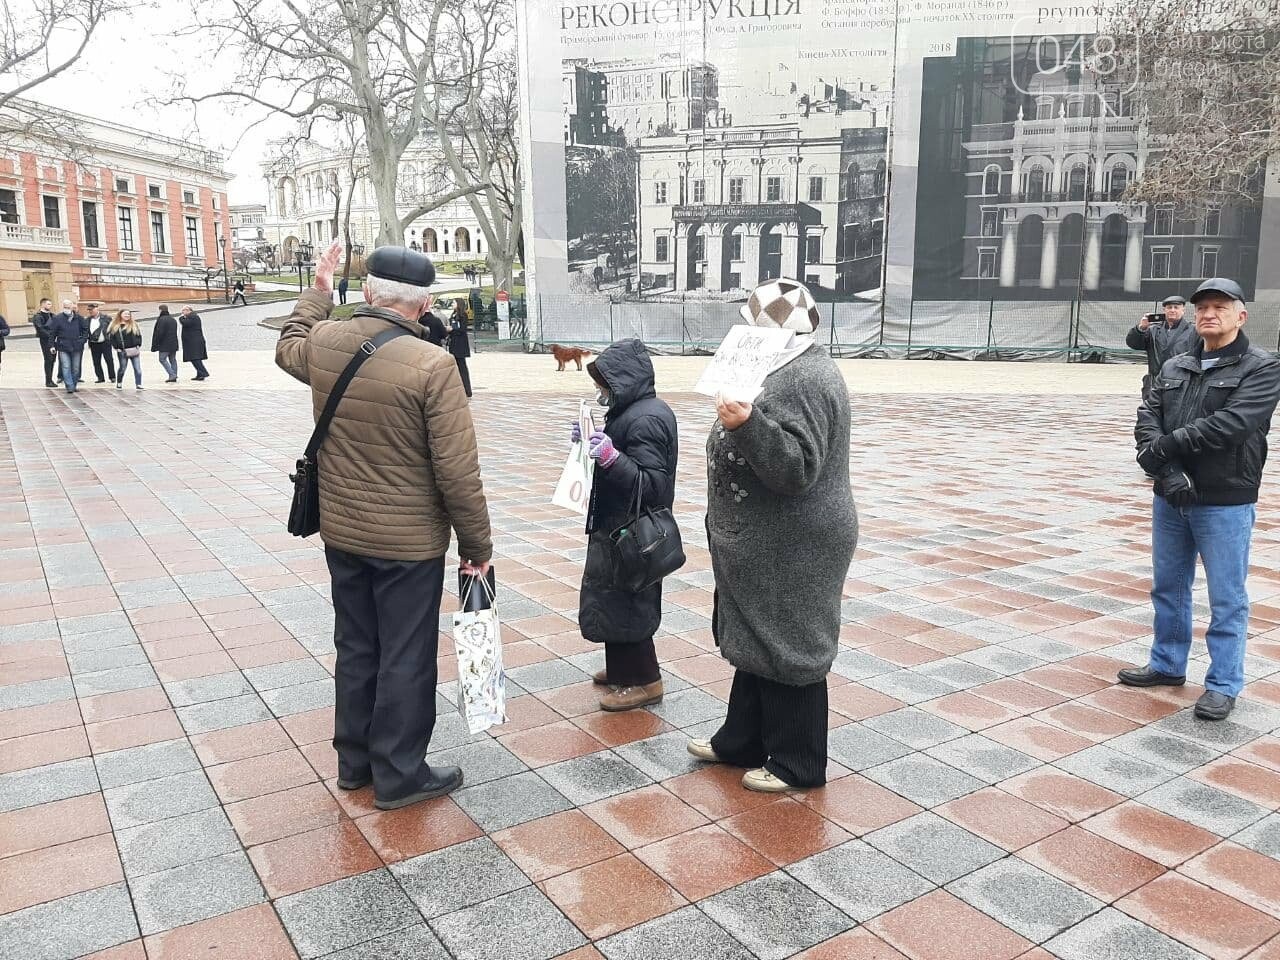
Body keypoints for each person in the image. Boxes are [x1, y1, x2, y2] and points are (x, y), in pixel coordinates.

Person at [275, 240, 492, 810]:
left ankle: (354, 763)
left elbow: (287, 345)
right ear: (423, 306)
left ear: (368, 292)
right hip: (409, 543)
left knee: (356, 645)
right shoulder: (433, 365)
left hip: (342, 532)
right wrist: (477, 548)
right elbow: (457, 472)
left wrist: (319, 290)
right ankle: (398, 773)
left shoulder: (324, 343)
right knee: (405, 653)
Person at [688, 279, 857, 792]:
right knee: (758, 637)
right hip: (766, 537)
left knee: (790, 646)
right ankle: (741, 739)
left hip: (793, 542)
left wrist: (746, 425)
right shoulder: (780, 367)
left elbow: (796, 469)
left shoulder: (803, 377)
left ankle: (798, 762)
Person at [1122, 277, 1280, 721]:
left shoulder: (1261, 368)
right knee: (1168, 586)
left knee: (1227, 595)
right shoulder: (1176, 365)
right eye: (1202, 307)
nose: (1209, 314)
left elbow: (1231, 424)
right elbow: (1148, 415)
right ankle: (1167, 663)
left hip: (1225, 499)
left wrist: (1164, 450)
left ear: (1240, 315)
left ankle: (1223, 683)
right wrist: (1167, 471)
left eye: (1220, 307)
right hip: (1170, 497)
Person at [574, 339, 678, 712]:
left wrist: (610, 456)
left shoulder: (646, 417)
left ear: (624, 379)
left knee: (631, 599)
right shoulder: (630, 410)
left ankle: (645, 680)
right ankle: (621, 667)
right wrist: (589, 444)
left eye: (605, 382)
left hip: (634, 530)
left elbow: (653, 484)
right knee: (612, 595)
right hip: (617, 523)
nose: (601, 390)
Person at [1126, 294, 1198, 399]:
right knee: (1151, 413)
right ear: (1164, 310)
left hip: (1181, 383)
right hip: (1154, 384)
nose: (1172, 310)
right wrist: (1141, 328)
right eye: (1169, 307)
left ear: (1183, 310)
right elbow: (1134, 344)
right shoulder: (1152, 330)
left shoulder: (1193, 331)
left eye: (1176, 307)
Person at [49, 299, 89, 394]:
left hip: (77, 346)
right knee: (66, 366)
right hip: (63, 346)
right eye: (65, 306)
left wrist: (83, 340)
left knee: (75, 368)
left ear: (72, 307)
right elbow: (52, 333)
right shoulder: (57, 318)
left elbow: (85, 330)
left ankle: (74, 384)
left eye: (68, 306)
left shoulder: (79, 318)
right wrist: (51, 345)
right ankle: (69, 386)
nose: (67, 308)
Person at [108, 310, 144, 390]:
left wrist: (138, 344)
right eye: (125, 314)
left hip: (134, 349)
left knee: (137, 369)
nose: (127, 315)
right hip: (122, 351)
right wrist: (117, 348)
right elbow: (112, 339)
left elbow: (139, 335)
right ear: (120, 315)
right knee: (122, 368)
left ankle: (139, 384)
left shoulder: (134, 324)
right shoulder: (116, 326)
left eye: (128, 314)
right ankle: (119, 382)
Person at [85, 303, 116, 384]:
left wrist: (112, 340)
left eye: (92, 309)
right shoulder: (87, 320)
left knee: (109, 360)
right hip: (94, 343)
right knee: (96, 361)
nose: (90, 311)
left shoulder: (106, 318)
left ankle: (112, 376)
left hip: (105, 342)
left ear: (97, 309)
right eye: (89, 310)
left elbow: (113, 329)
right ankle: (100, 377)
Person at [448, 299, 473, 398]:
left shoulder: (463, 315)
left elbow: (462, 329)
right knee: (455, 367)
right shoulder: (453, 314)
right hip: (453, 342)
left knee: (462, 367)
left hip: (460, 344)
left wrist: (453, 329)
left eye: (454, 303)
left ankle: (467, 390)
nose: (452, 304)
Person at [31, 298, 58, 387]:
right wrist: (50, 336)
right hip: (45, 340)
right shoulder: (37, 316)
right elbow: (40, 328)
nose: (50, 306)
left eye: (50, 304)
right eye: (48, 304)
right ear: (42, 304)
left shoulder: (52, 316)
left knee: (53, 360)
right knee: (48, 359)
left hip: (54, 340)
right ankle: (48, 380)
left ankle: (50, 379)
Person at [179, 306, 209, 380]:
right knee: (196, 358)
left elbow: (186, 323)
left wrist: (181, 318)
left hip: (194, 341)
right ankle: (200, 375)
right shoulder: (192, 316)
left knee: (194, 358)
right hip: (194, 341)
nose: (182, 312)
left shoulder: (193, 317)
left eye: (183, 311)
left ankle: (204, 373)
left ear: (188, 310)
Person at [152, 306, 179, 382]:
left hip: (164, 344)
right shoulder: (172, 319)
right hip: (174, 343)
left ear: (160, 310)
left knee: (162, 359)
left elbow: (159, 333)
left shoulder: (161, 320)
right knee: (173, 359)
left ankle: (172, 375)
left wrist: (155, 344)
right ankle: (174, 375)